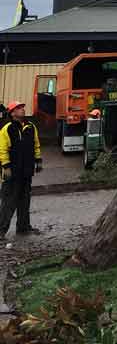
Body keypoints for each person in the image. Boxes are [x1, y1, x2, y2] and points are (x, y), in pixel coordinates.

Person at [0, 102, 43, 241]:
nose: (22, 109)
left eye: (22, 107)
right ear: (12, 113)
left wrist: (38, 160)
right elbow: (2, 149)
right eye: (18, 108)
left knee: (25, 200)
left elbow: (36, 145)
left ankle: (23, 227)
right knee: (9, 202)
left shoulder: (31, 127)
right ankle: (1, 231)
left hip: (26, 171)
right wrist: (6, 166)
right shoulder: (7, 129)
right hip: (12, 172)